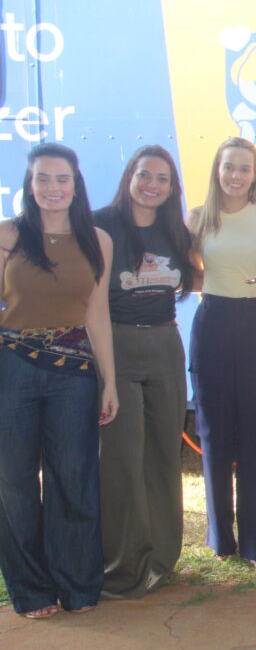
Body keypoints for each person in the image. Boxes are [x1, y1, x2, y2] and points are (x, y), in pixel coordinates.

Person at [0, 144, 117, 618]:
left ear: (76, 184)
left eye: (61, 179)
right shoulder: (7, 236)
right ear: (30, 186)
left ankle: (78, 586)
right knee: (15, 483)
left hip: (75, 375)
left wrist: (109, 382)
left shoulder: (97, 240)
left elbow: (98, 316)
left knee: (76, 481)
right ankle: (31, 590)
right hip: (13, 368)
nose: (52, 188)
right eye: (43, 179)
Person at [94, 145, 197, 599]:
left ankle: (161, 557)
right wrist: (107, 374)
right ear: (129, 177)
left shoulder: (177, 231)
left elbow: (203, 276)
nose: (152, 185)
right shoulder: (100, 225)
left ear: (172, 188)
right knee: (120, 460)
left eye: (162, 179)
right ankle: (121, 567)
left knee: (160, 455)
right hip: (116, 345)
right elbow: (90, 300)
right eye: (145, 175)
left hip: (164, 344)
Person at [187, 137, 256, 569]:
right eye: (229, 167)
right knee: (214, 434)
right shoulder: (196, 219)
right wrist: (218, 288)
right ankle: (221, 538)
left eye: (245, 168)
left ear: (255, 175)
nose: (236, 176)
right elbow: (183, 272)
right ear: (217, 170)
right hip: (213, 325)